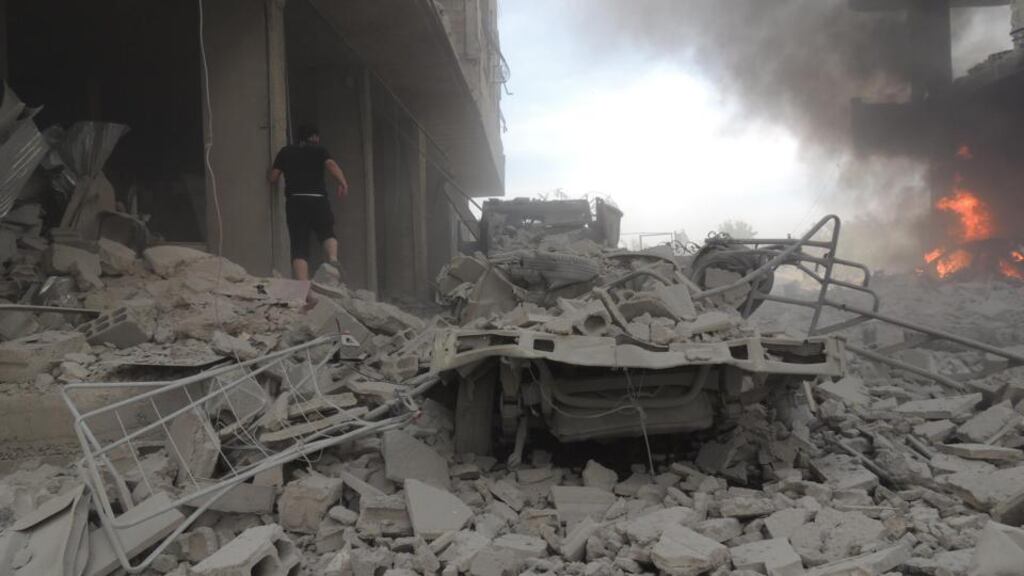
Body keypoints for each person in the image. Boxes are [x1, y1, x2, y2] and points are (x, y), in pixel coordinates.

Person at [269, 125, 349, 280]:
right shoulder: (320, 150)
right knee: (327, 231)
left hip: (296, 201)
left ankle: (303, 285)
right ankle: (333, 259)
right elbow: (331, 165)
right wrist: (343, 182)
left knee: (299, 246)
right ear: (314, 137)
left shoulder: (285, 152)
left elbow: (273, 177)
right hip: (318, 199)